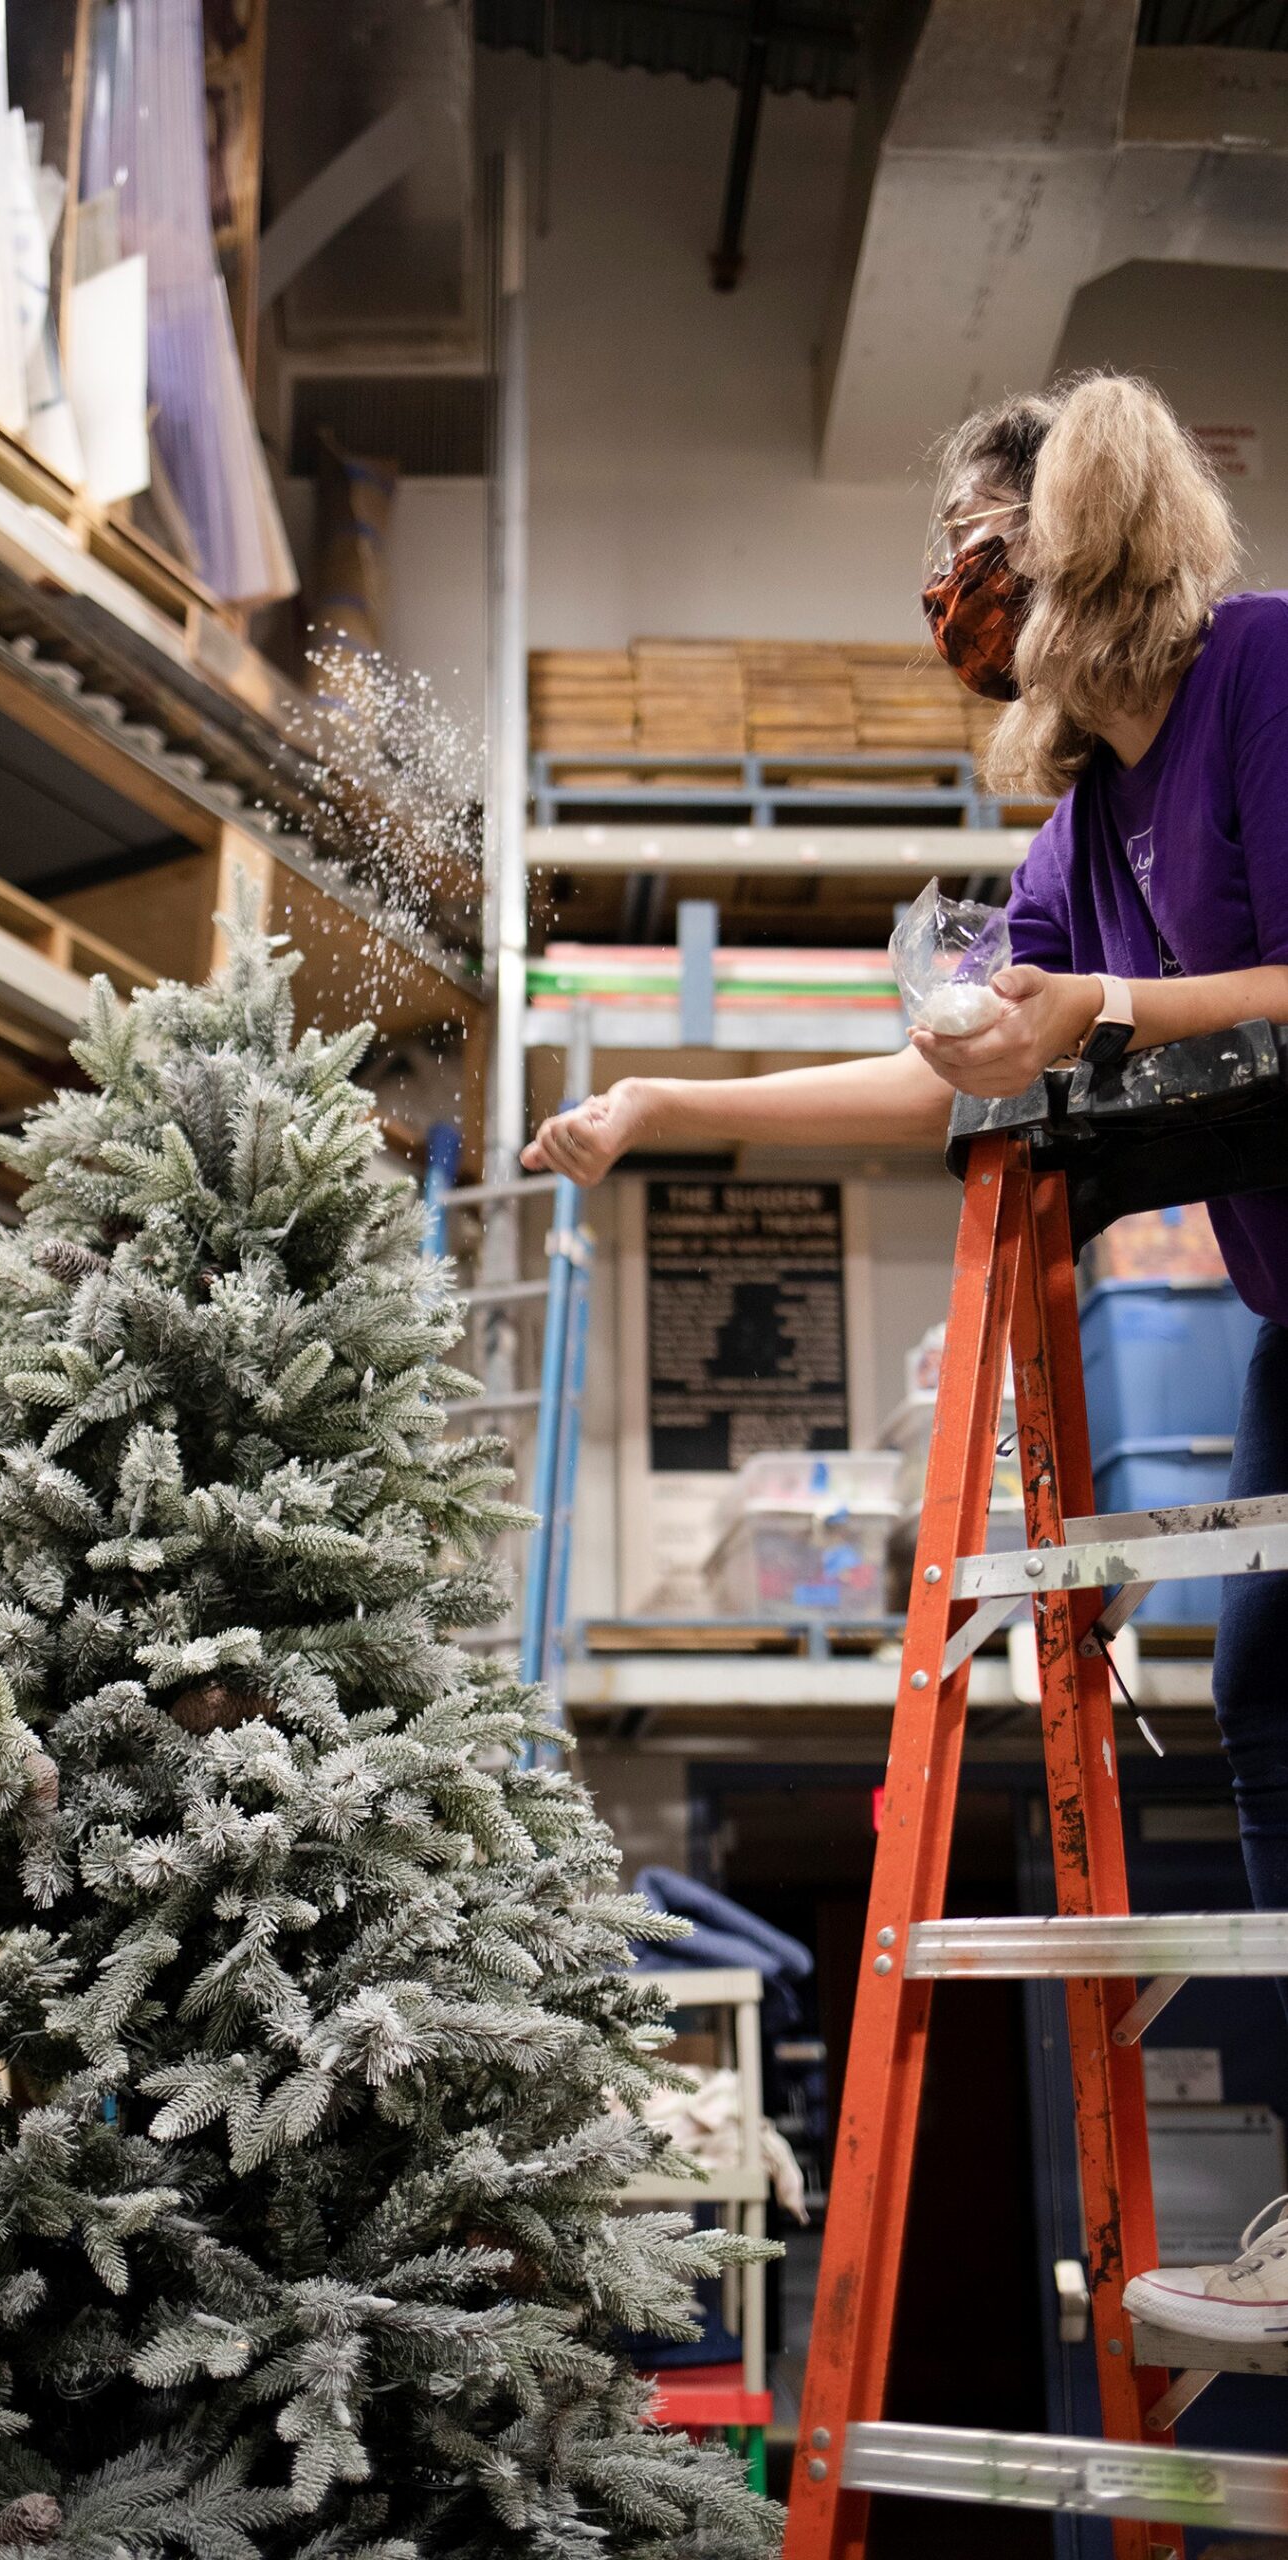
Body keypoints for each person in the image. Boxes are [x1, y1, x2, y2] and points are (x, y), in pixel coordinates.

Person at [524, 371, 1288, 2343]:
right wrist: (660, 1103)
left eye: (973, 549)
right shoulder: (1091, 814)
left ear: (1080, 536)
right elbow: (953, 1066)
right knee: (1272, 1680)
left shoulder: (1262, 680)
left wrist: (1096, 1005)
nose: (948, 596)